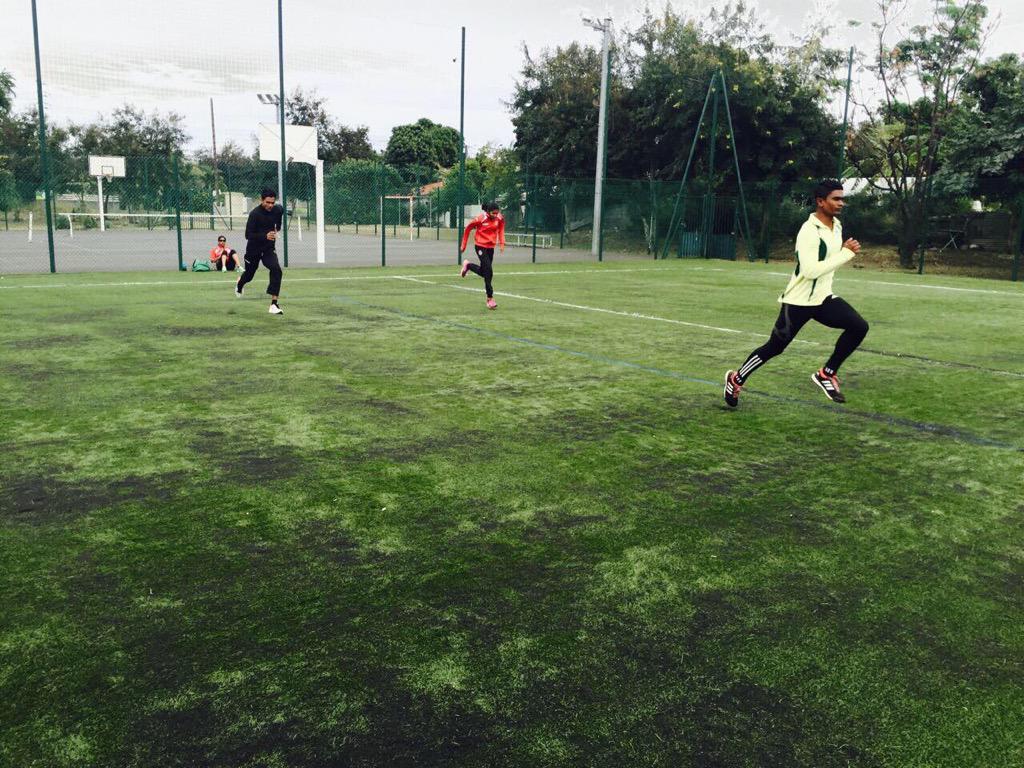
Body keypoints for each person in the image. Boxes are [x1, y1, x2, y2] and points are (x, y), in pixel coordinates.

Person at [724, 179, 869, 407]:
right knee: (775, 347)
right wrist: (846, 254)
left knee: (859, 326)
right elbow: (811, 270)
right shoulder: (808, 232)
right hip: (798, 302)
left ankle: (826, 374)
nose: (841, 203)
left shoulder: (837, 226)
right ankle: (736, 378)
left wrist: (842, 252)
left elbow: (828, 262)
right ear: (821, 202)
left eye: (842, 199)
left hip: (823, 298)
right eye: (836, 199)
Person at [235, 188, 284, 315]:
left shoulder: (278, 210)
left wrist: (276, 230)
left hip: (268, 249)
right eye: (267, 202)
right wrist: (265, 236)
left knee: (276, 269)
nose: (270, 205)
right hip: (253, 249)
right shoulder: (255, 214)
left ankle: (274, 304)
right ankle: (240, 284)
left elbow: (278, 223)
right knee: (249, 276)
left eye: (272, 203)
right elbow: (248, 235)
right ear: (262, 200)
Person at [459, 201, 506, 310]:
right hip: (480, 246)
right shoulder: (480, 219)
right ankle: (490, 299)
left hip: (491, 247)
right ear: (488, 212)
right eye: (493, 213)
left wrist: (502, 243)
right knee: (489, 271)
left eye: (497, 213)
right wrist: (463, 245)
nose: (495, 215)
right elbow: (468, 229)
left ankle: (468, 265)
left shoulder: (499, 218)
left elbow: (501, 229)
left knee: (485, 272)